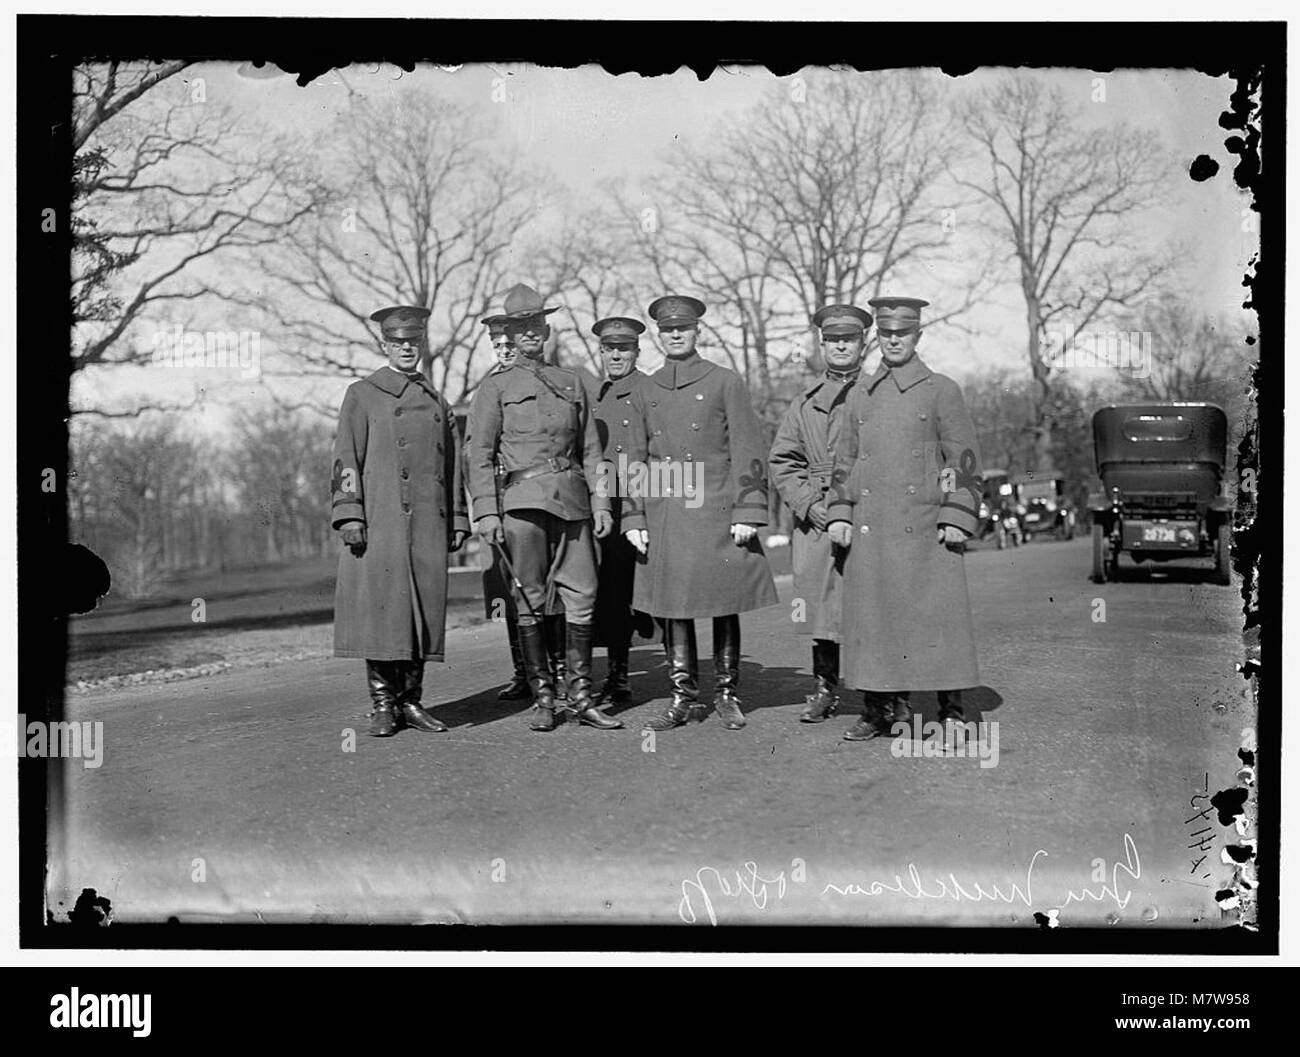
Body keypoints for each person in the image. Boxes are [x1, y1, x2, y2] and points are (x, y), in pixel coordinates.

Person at [464, 284, 621, 732]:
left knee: (583, 595)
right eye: (521, 326)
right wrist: (488, 513)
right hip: (521, 505)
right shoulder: (496, 387)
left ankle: (582, 698)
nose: (530, 332)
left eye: (537, 323)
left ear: (547, 328)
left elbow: (592, 450)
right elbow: (479, 454)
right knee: (528, 598)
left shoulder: (573, 382)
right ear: (511, 333)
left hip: (574, 503)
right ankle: (544, 700)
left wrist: (602, 502)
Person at [825, 296, 982, 743]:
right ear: (878, 336)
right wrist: (840, 511)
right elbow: (845, 460)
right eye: (887, 333)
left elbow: (964, 457)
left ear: (918, 336)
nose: (894, 341)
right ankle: (877, 711)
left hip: (926, 526)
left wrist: (957, 513)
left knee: (937, 621)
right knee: (873, 621)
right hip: (871, 525)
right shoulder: (860, 393)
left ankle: (951, 712)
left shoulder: (941, 390)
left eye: (904, 333)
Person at [622, 295, 778, 732]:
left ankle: (727, 694)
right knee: (674, 606)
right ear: (658, 334)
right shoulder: (645, 390)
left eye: (683, 329)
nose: (675, 335)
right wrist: (633, 517)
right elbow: (634, 459)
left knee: (723, 601)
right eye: (668, 329)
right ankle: (682, 695)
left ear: (697, 332)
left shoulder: (725, 381)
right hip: (665, 512)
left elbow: (749, 448)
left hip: (717, 508)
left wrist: (749, 508)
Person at [331, 304, 470, 737]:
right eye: (398, 343)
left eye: (413, 342)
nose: (407, 349)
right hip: (382, 521)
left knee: (422, 613)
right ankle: (383, 703)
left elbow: (452, 468)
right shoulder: (363, 393)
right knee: (383, 611)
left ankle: (412, 701)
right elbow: (345, 459)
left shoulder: (436, 401)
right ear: (384, 345)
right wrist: (349, 512)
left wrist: (459, 518)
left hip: (428, 523)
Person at [769, 304, 872, 723]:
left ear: (864, 343)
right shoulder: (803, 403)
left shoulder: (878, 393)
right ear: (822, 345)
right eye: (833, 340)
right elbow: (782, 460)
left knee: (870, 606)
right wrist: (811, 505)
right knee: (820, 611)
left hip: (868, 513)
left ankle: (877, 695)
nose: (841, 346)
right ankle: (824, 688)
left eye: (849, 339)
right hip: (815, 520)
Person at [476, 314, 567, 702]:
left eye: (508, 345)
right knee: (509, 589)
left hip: (539, 497)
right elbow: (474, 449)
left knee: (550, 585)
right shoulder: (490, 388)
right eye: (498, 347)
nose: (505, 352)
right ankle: (524, 671)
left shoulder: (543, 382)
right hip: (502, 501)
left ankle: (558, 669)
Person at [582, 315, 649, 705]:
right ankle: (616, 675)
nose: (616, 355)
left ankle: (681, 677)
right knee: (608, 593)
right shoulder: (595, 395)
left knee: (640, 593)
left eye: (624, 348)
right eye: (609, 349)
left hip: (641, 503)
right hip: (605, 504)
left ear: (637, 351)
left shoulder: (649, 389)